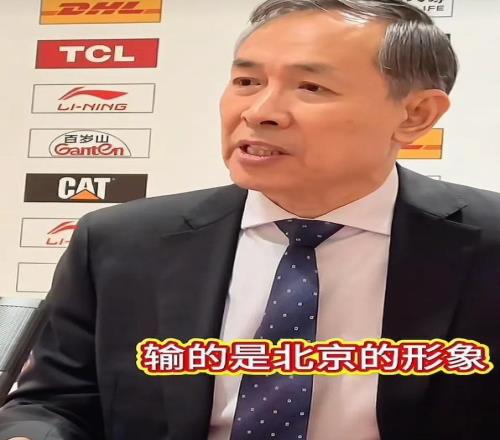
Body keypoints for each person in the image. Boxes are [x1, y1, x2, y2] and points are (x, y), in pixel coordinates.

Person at [2, 0, 500, 439]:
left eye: (311, 86)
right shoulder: (120, 242)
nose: (260, 111)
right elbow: (56, 403)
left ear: (415, 115)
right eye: (247, 81)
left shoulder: (488, 245)